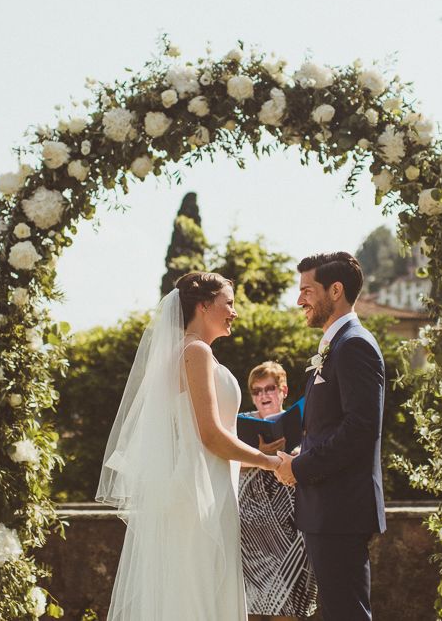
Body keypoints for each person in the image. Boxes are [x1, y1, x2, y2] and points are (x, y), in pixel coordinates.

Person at [96, 272, 280, 621]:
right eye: (229, 303)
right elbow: (209, 435)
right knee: (197, 593)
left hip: (209, 485)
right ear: (204, 304)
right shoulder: (194, 351)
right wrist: (268, 461)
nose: (234, 312)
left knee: (197, 589)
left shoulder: (192, 352)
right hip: (200, 491)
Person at [274, 252, 386, 621]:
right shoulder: (336, 345)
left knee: (346, 613)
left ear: (335, 290)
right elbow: (330, 426)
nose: (299, 300)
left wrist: (300, 467)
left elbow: (360, 428)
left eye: (307, 290)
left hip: (341, 509)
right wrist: (300, 451)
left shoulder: (354, 344)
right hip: (327, 508)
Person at [238, 361, 318, 621]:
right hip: (250, 530)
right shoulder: (242, 424)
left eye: (269, 388)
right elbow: (224, 462)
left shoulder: (304, 422)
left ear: (283, 390)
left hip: (290, 527)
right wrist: (263, 455)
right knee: (251, 608)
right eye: (256, 391)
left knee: (288, 606)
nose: (263, 396)